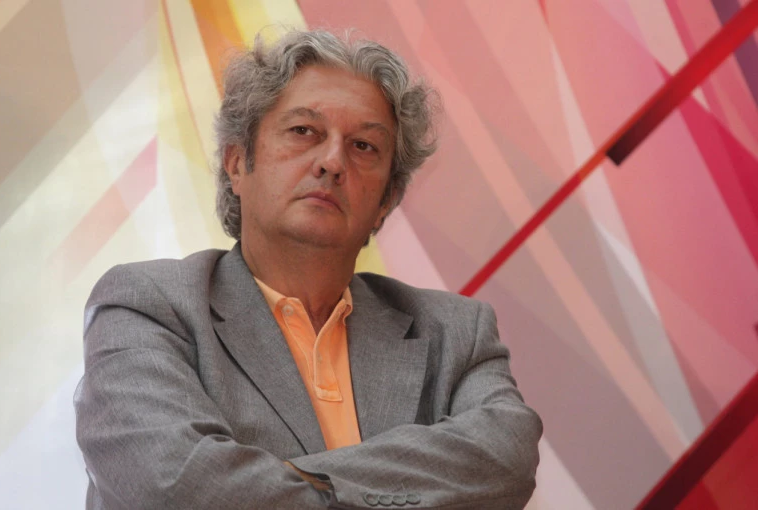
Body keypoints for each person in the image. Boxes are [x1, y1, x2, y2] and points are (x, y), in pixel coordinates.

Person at [74, 29, 542, 510]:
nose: (333, 162)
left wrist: (287, 478)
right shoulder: (149, 307)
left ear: (386, 202)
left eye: (364, 146)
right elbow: (172, 485)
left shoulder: (455, 332)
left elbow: (507, 457)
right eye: (304, 131)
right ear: (236, 163)